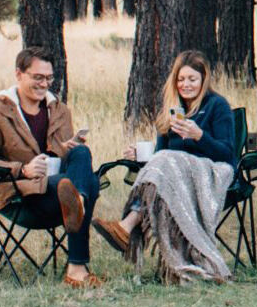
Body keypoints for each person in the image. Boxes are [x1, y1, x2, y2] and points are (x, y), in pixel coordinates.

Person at [0, 48, 103, 288]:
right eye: (37, 77)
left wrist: (64, 149)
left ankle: (78, 203)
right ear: (19, 74)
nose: (44, 84)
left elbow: (58, 158)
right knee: (88, 182)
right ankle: (77, 267)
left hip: (57, 195)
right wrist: (22, 170)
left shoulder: (59, 110)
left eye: (49, 78)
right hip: (21, 198)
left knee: (81, 153)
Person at [93, 51, 236, 279]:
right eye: (180, 79)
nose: (185, 85)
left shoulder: (217, 106)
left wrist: (200, 135)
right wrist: (140, 156)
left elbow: (227, 154)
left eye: (192, 79)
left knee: (169, 160)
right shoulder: (172, 109)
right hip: (173, 176)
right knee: (165, 160)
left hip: (207, 172)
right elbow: (160, 154)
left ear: (203, 79)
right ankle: (129, 231)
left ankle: (127, 225)